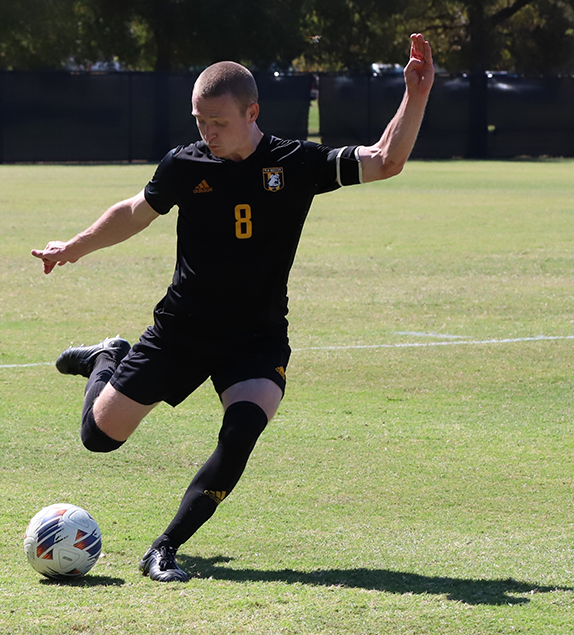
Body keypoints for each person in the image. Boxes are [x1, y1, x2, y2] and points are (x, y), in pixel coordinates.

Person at [31, 34, 435, 582]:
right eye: (200, 122)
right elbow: (133, 211)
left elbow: (387, 161)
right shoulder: (185, 164)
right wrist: (73, 248)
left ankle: (164, 547)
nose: (207, 133)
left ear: (252, 112)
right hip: (181, 331)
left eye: (218, 123)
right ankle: (109, 357)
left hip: (255, 338)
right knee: (98, 439)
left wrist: (416, 93)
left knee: (242, 429)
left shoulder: (296, 163)